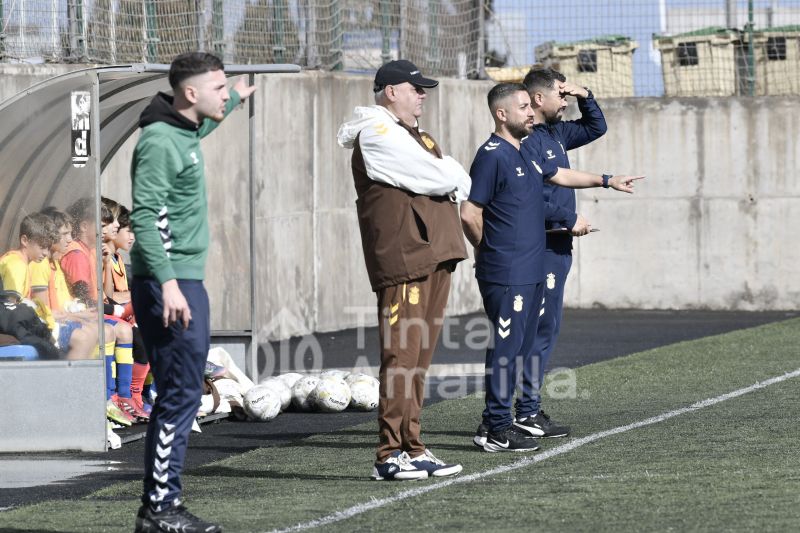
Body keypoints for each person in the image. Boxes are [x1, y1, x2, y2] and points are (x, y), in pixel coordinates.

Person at [461, 83, 641, 452]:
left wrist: (607, 181)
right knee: (505, 348)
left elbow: (558, 174)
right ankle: (494, 427)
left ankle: (509, 419)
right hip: (506, 269)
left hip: (531, 269)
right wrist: (486, 248)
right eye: (523, 107)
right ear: (501, 114)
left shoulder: (525, 150)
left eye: (531, 105)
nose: (531, 112)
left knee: (522, 346)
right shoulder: (492, 155)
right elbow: (469, 212)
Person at [129, 52, 255, 533]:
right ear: (190, 93)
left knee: (181, 392)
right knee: (181, 394)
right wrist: (168, 284)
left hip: (182, 281)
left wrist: (237, 100)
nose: (225, 93)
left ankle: (160, 506)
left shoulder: (183, 131)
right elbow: (147, 217)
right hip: (171, 283)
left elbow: (199, 133)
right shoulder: (161, 140)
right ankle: (160, 510)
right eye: (219, 87)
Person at [337, 59, 471, 480]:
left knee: (418, 358)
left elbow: (453, 177)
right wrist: (448, 175)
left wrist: (448, 175)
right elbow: (435, 175)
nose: (423, 95)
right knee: (401, 356)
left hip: (432, 254)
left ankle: (413, 447)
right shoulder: (377, 133)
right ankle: (388, 453)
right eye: (415, 88)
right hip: (405, 259)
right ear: (390, 91)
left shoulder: (416, 135)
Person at [515, 67, 609, 438]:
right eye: (560, 93)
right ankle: (522, 410)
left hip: (558, 244)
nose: (565, 98)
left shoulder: (557, 132)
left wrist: (584, 92)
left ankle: (527, 408)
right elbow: (532, 194)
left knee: (546, 328)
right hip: (542, 245)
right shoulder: (527, 140)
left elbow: (595, 128)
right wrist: (566, 217)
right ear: (539, 99)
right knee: (535, 331)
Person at [62, 196, 137, 426]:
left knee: (125, 330)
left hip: (90, 312)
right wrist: (117, 308)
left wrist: (105, 265)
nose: (111, 227)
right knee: (117, 330)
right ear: (85, 226)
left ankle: (123, 396)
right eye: (104, 223)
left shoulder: (93, 252)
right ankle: (107, 396)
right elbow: (86, 298)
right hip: (76, 316)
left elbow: (102, 295)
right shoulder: (76, 254)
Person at [29, 208, 113, 362]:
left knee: (102, 331)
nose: (69, 239)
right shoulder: (41, 265)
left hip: (60, 319)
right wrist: (77, 315)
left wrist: (78, 314)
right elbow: (45, 313)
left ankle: (107, 385)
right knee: (88, 335)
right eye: (64, 234)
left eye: (69, 233)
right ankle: (73, 384)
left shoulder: (55, 263)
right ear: (51, 236)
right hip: (47, 326)